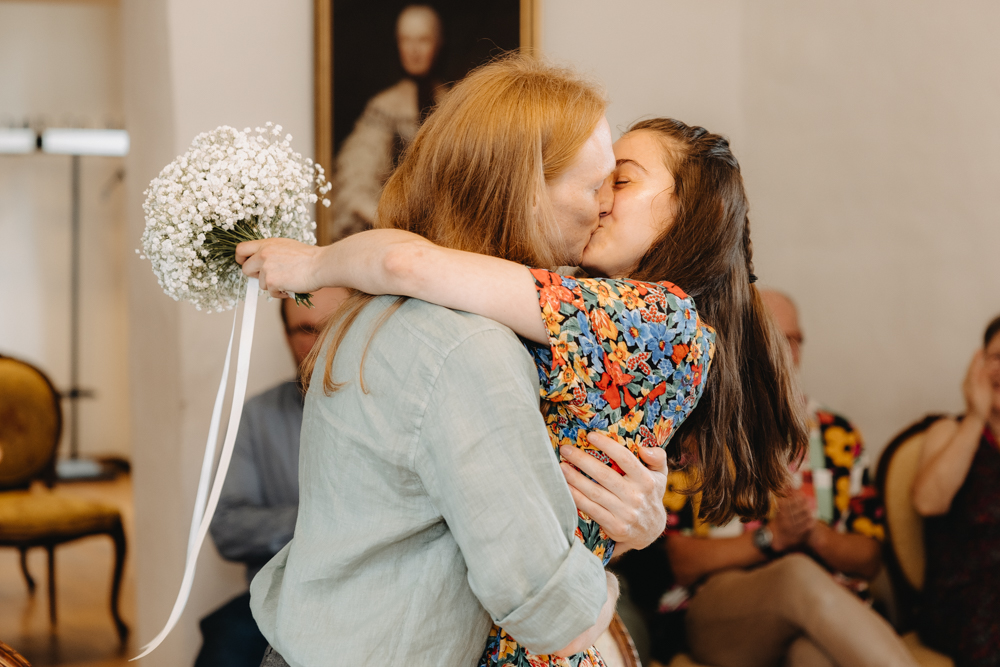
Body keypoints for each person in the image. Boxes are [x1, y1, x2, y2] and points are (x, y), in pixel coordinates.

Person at [239, 59, 804, 666]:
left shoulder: (654, 317)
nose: (601, 204)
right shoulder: (469, 339)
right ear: (525, 188)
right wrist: (620, 551)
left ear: (689, 215)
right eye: (595, 185)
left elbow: (408, 263)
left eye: (619, 182)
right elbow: (546, 590)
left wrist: (319, 264)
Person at [618, 289, 914, 667]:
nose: (784, 351)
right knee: (795, 573)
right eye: (773, 338)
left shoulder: (837, 435)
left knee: (812, 658)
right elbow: (678, 560)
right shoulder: (700, 433)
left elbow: (869, 558)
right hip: (720, 611)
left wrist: (814, 534)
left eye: (793, 339)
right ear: (743, 343)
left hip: (824, 612)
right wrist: (772, 538)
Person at [193, 288, 348, 667]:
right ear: (286, 336)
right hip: (279, 598)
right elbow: (227, 527)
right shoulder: (257, 416)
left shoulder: (393, 412)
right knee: (223, 647)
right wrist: (324, 522)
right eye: (307, 329)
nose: (323, 342)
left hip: (370, 599)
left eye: (337, 327)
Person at [912, 314, 1000, 667]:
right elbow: (928, 502)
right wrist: (976, 417)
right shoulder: (949, 430)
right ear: (978, 364)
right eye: (995, 358)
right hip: (965, 598)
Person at [330, 4, 446, 241]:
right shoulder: (383, 107)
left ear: (438, 43)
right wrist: (393, 225)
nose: (414, 50)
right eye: (406, 40)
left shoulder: (452, 103)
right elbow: (356, 182)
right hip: (394, 234)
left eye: (423, 40)